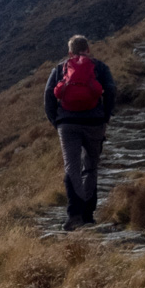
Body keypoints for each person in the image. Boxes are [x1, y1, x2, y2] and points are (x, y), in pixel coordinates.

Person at [43, 34, 116, 230]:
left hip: (67, 124)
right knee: (90, 168)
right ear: (88, 50)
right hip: (94, 123)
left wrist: (56, 121)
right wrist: (105, 117)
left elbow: (48, 95)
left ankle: (74, 215)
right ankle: (88, 215)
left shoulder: (60, 68)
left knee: (72, 168)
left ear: (70, 52)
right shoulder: (99, 67)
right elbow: (111, 90)